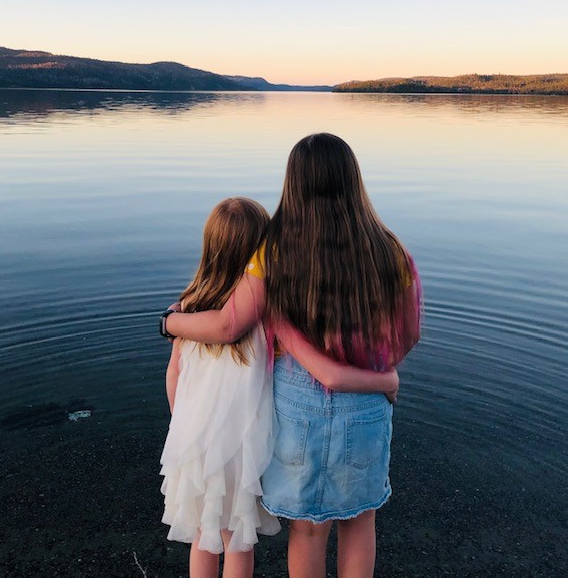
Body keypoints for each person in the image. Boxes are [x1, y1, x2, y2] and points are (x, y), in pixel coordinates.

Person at [162, 134, 422, 577]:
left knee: (307, 531)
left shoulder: (273, 252)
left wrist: (168, 322)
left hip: (298, 406)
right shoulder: (391, 251)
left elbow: (228, 324)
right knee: (360, 523)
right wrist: (374, 369)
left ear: (293, 186)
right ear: (353, 180)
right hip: (365, 402)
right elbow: (408, 336)